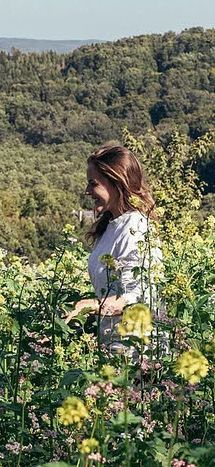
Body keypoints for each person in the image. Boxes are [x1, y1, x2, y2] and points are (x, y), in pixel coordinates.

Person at [65, 145, 162, 352]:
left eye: (93, 184)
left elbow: (139, 297)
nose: (87, 191)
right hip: (112, 347)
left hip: (136, 354)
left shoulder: (136, 228)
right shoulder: (111, 226)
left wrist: (89, 305)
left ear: (117, 183)